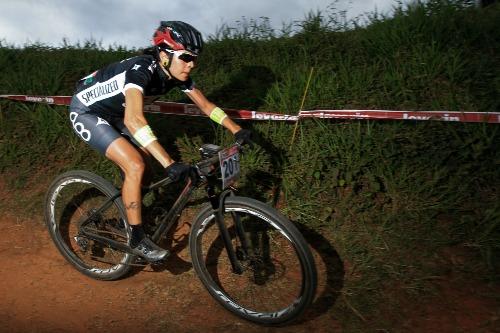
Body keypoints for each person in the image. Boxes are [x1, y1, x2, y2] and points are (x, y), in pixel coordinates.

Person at [68, 21, 251, 262]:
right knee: (136, 165)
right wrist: (169, 162)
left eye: (195, 58)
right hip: (88, 112)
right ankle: (136, 237)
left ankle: (131, 209)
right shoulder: (141, 69)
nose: (191, 64)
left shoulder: (176, 74)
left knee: (146, 168)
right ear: (164, 55)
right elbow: (134, 120)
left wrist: (236, 129)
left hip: (115, 113)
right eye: (185, 57)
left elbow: (205, 106)